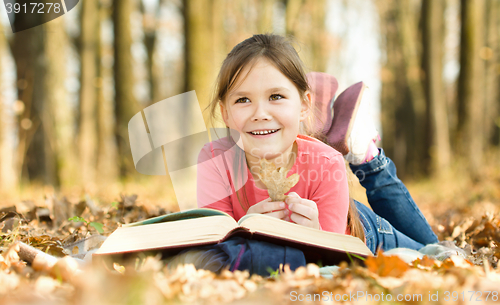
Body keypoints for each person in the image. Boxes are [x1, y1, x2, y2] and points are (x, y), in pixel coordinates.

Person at [173, 34, 438, 275]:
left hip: (358, 230)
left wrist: (315, 234)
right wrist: (246, 227)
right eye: (243, 100)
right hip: (322, 201)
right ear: (225, 112)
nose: (260, 113)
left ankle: (367, 158)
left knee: (434, 253)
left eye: (276, 96)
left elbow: (331, 260)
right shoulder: (214, 160)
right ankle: (322, 128)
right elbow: (214, 239)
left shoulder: (327, 163)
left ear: (304, 105)